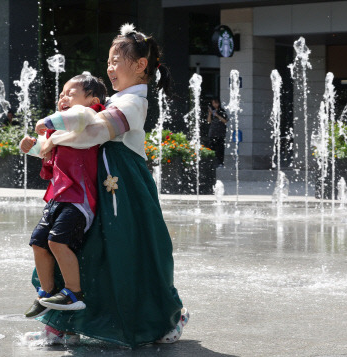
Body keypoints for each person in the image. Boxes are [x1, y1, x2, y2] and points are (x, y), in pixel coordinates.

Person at [25, 23, 188, 348]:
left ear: (140, 65)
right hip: (98, 188)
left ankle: (165, 317)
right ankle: (63, 322)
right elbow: (79, 140)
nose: (110, 67)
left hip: (124, 191)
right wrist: (46, 142)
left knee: (129, 253)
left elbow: (96, 134)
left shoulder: (132, 104)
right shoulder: (114, 100)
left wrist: (54, 133)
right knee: (82, 251)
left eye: (117, 60)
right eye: (109, 61)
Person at [19, 74, 108, 321]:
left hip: (79, 199)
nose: (63, 98)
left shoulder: (89, 118)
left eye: (71, 93)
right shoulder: (59, 132)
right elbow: (45, 149)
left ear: (93, 100)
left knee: (58, 242)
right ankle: (46, 293)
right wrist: (30, 145)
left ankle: (73, 293)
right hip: (58, 198)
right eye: (61, 95)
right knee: (38, 241)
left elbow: (76, 117)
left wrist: (47, 121)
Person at [207, 97, 229, 168]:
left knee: (220, 149)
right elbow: (208, 121)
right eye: (213, 103)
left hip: (220, 133)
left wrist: (217, 115)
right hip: (212, 133)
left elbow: (225, 121)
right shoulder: (212, 111)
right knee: (211, 148)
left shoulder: (222, 111)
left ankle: (220, 163)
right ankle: (212, 163)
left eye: (215, 103)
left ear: (218, 103)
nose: (214, 104)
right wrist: (210, 114)